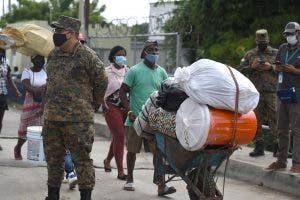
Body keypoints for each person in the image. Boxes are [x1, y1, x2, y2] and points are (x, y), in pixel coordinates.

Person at [42, 15, 107, 200]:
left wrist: (93, 104)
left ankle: (85, 197)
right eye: (55, 31)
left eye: (59, 31)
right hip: (52, 118)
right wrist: (45, 110)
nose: (55, 34)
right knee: (53, 160)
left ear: (70, 34)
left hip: (78, 121)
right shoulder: (53, 54)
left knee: (82, 161)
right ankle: (52, 195)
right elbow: (50, 82)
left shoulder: (87, 56)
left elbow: (102, 81)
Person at [119, 40, 176, 196]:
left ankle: (161, 185)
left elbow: (166, 94)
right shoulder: (134, 71)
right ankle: (129, 179)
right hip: (135, 118)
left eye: (156, 50)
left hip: (154, 121)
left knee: (158, 153)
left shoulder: (162, 72)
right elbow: (122, 91)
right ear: (144, 53)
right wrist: (129, 110)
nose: (154, 53)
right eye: (151, 50)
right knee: (132, 151)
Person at [266, 22, 300, 173]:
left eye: (291, 34)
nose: (289, 36)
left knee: (297, 129)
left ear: (299, 33)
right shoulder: (282, 48)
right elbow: (274, 67)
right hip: (282, 92)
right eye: (287, 34)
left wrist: (295, 70)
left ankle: (297, 163)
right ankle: (281, 160)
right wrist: (276, 67)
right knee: (282, 128)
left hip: (297, 93)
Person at [240, 29, 278, 157]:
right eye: (260, 42)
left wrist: (271, 67)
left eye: (265, 42)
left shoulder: (276, 53)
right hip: (255, 93)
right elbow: (240, 71)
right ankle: (259, 146)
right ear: (256, 41)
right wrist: (252, 67)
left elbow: (283, 68)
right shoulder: (250, 55)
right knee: (256, 119)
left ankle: (278, 147)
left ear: (268, 40)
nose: (263, 44)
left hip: (272, 91)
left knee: (275, 118)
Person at [14, 55, 47, 160]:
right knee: (24, 129)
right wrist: (36, 90)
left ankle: (39, 154)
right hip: (30, 104)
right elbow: (25, 85)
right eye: (37, 59)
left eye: (42, 59)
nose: (40, 61)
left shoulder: (46, 72)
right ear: (32, 60)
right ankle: (18, 147)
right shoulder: (27, 71)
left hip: (43, 103)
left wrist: (43, 90)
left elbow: (48, 86)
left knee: (41, 130)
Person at [103, 46, 128, 180]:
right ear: (113, 57)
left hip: (125, 107)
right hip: (110, 106)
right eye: (119, 55)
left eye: (124, 55)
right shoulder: (106, 71)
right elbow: (100, 89)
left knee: (117, 137)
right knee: (120, 134)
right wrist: (102, 105)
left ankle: (107, 161)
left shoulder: (128, 70)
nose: (122, 57)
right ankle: (120, 171)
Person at [0, 48, 21, 151]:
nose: (0, 53)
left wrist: (16, 91)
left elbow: (9, 78)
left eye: (2, 51)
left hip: (2, 95)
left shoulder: (5, 64)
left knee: (0, 121)